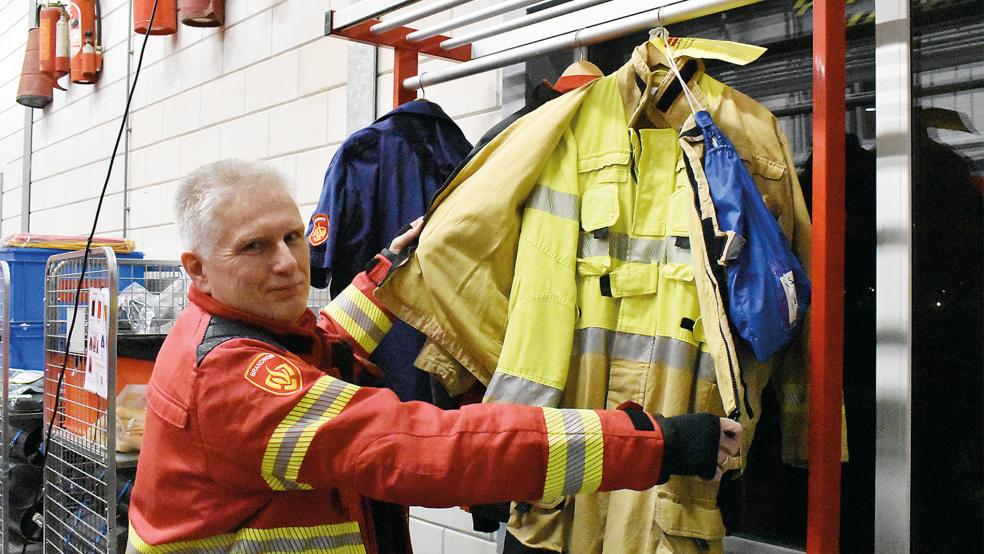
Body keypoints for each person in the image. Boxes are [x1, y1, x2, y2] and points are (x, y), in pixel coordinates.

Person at [127, 159, 742, 553]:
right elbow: (432, 449)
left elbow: (322, 352)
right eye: (255, 247)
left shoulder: (226, 327)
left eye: (292, 237)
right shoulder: (235, 380)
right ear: (197, 266)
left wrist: (384, 279)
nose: (288, 263)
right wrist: (650, 442)